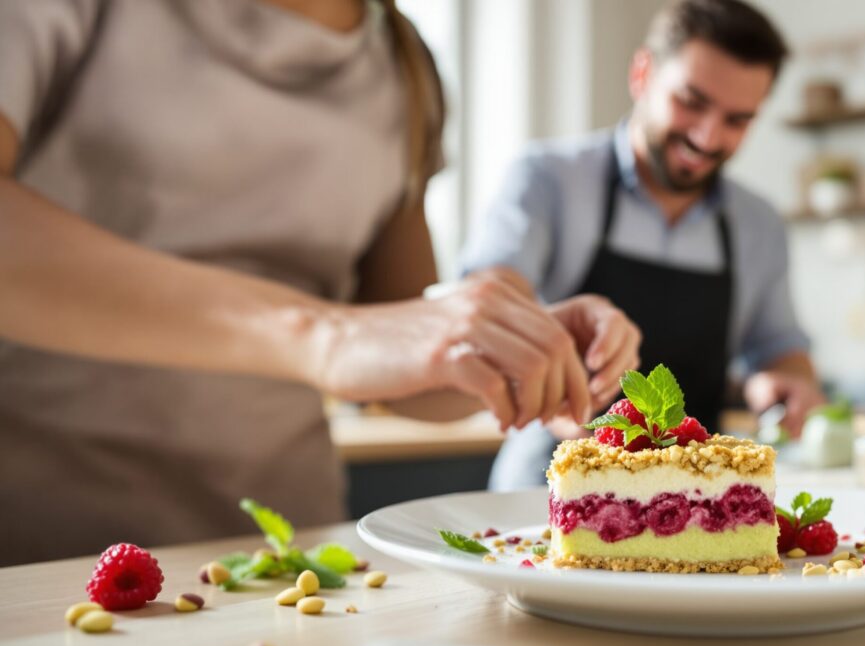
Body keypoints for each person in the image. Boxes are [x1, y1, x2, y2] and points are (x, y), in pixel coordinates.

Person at [0, 0, 639, 566]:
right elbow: (347, 338)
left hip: (288, 552)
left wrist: (516, 346)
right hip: (40, 543)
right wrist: (322, 334)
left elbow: (401, 361)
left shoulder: (403, 64)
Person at [461, 0, 827, 490]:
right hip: (549, 484)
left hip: (693, 499)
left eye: (737, 120)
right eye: (691, 102)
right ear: (642, 75)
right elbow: (486, 303)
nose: (706, 136)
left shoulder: (759, 224)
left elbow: (779, 349)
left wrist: (792, 383)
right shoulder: (547, 179)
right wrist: (547, 374)